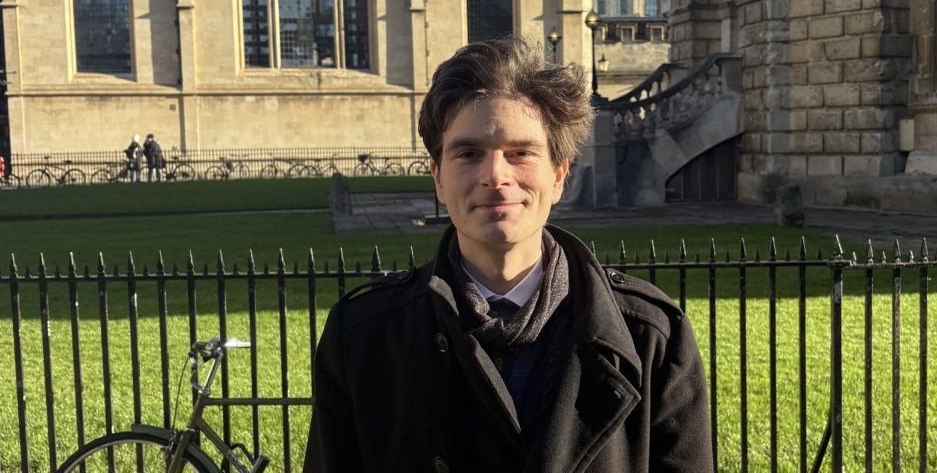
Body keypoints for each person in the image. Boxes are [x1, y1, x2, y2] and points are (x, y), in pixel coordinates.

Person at [303, 37, 713, 472]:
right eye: (468, 153)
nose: (495, 177)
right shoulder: (364, 338)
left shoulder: (650, 336)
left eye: (519, 153)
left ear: (558, 176)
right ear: (438, 178)